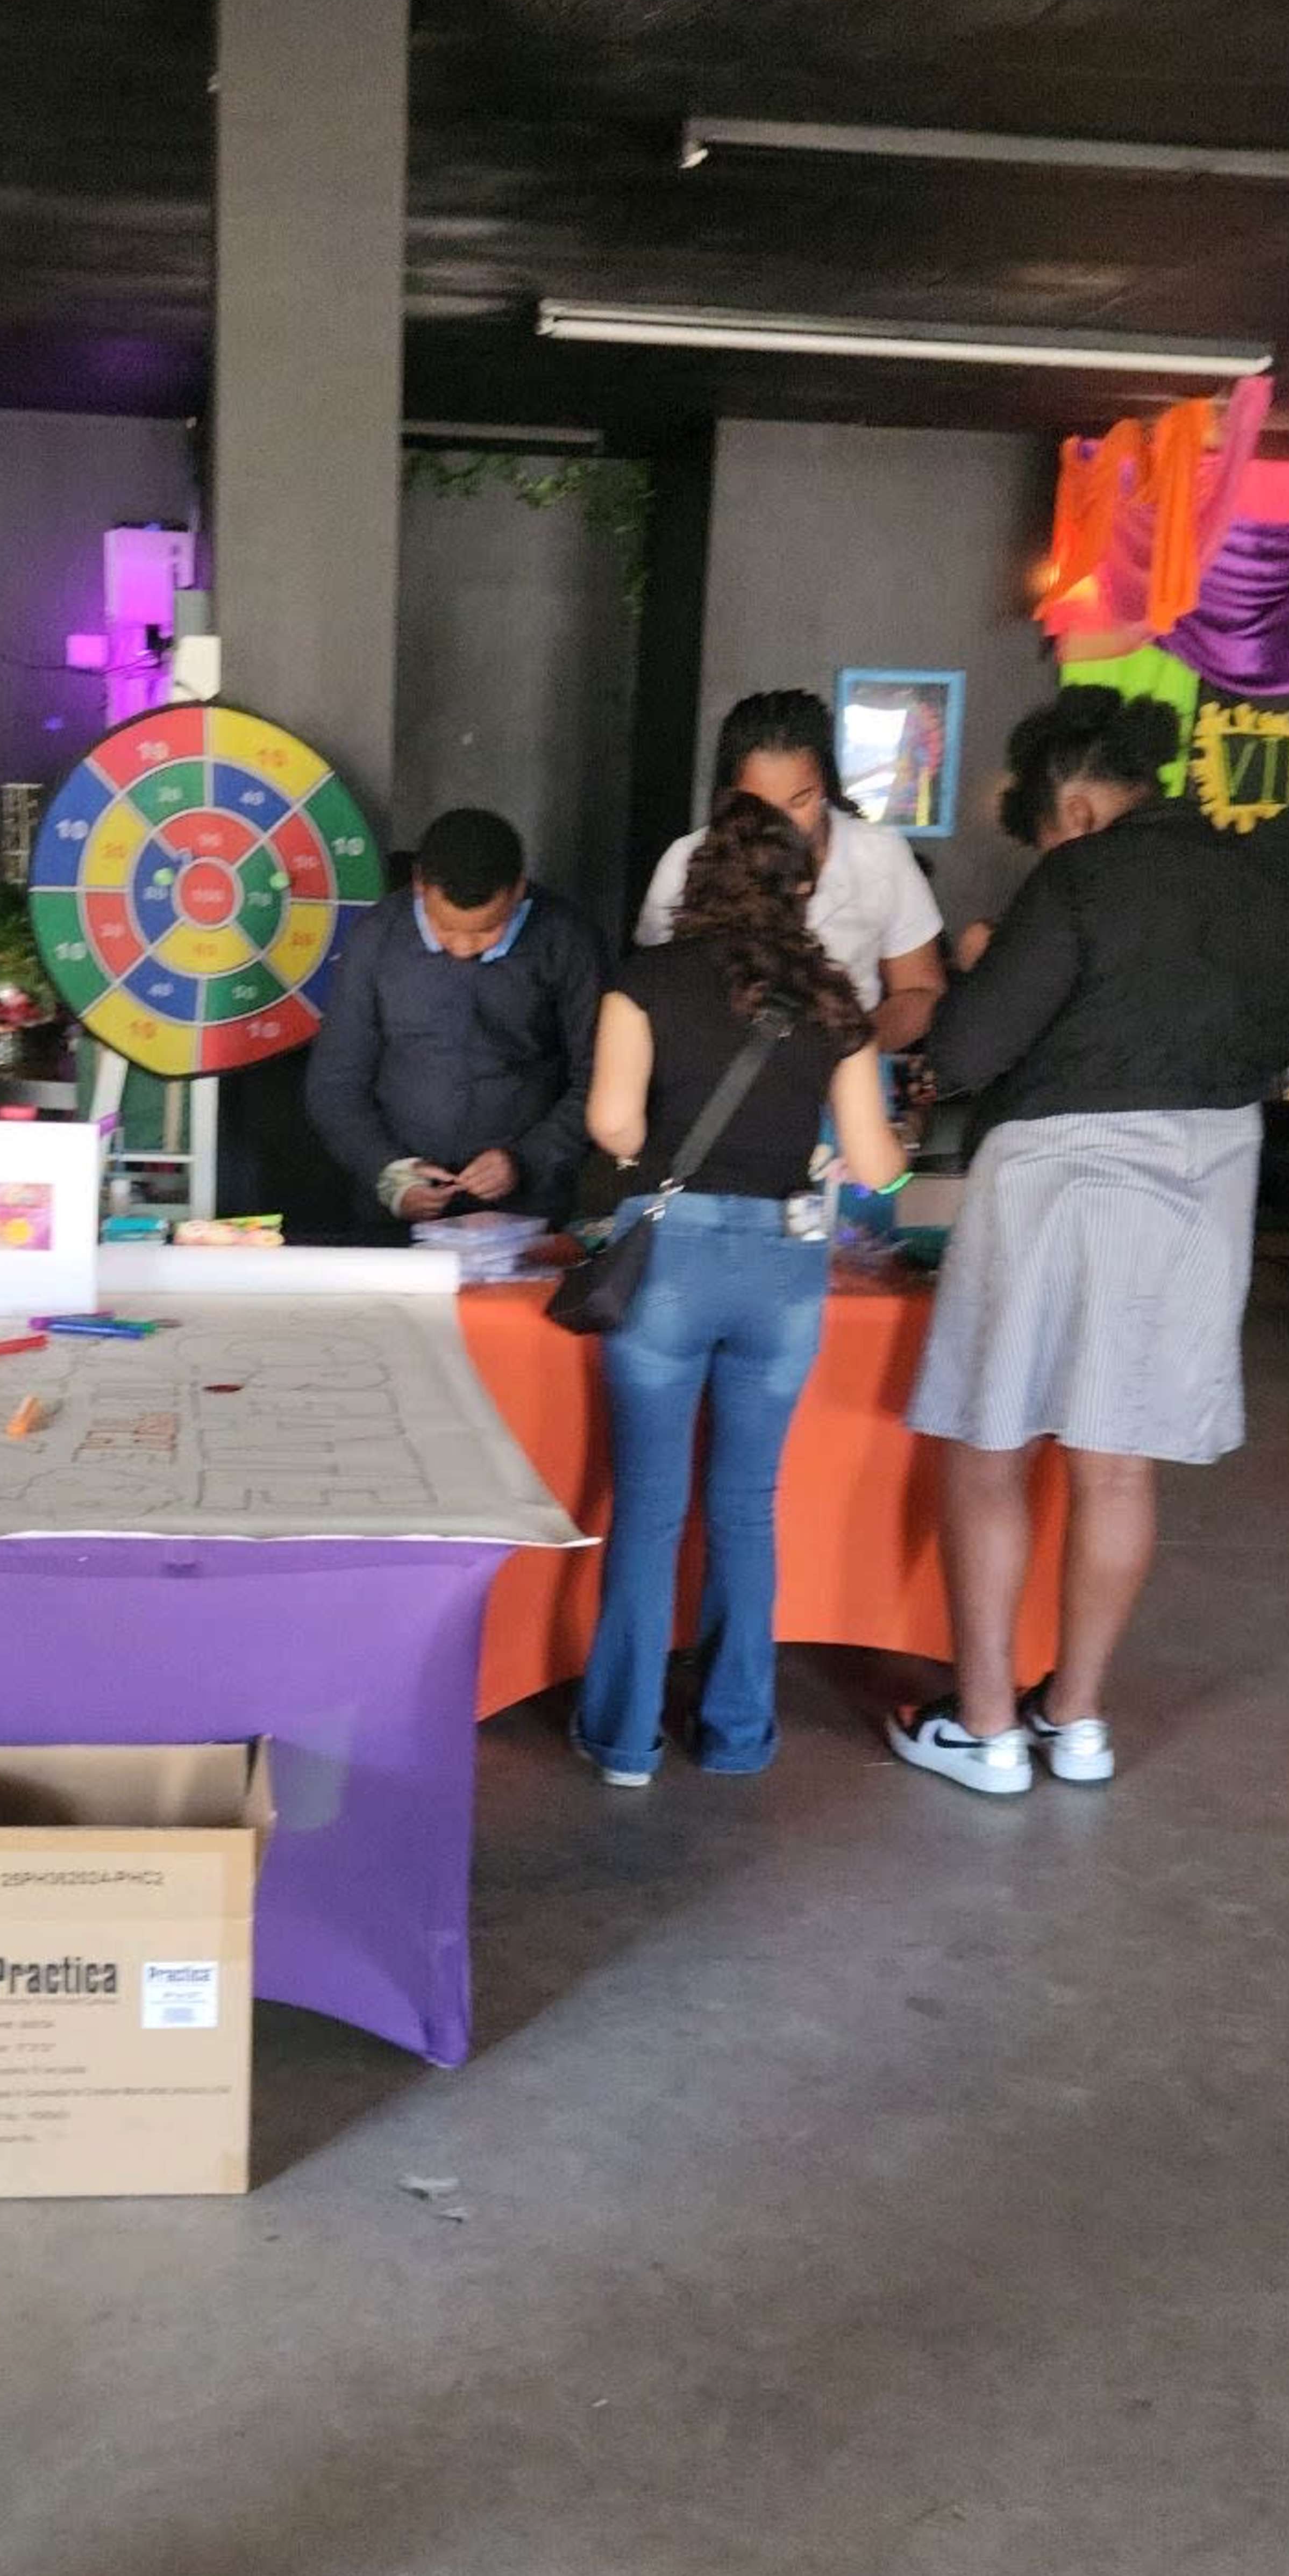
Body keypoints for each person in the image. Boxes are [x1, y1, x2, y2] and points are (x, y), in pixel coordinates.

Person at [888, 684, 1289, 1800]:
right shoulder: (1264, 883)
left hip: (1061, 1179)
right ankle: (1075, 1721)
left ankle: (984, 1729)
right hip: (1211, 1174)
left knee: (992, 1453)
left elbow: (971, 1047)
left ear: (1072, 805)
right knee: (1117, 1463)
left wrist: (984, 956)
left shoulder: (1080, 876)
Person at [573, 792, 909, 1787]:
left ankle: (627, 1742)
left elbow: (615, 1130)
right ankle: (734, 1734)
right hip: (782, 1269)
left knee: (647, 1507)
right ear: (802, 888)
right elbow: (876, 1160)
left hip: (669, 1262)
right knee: (747, 1508)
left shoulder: (644, 986)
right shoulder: (835, 1000)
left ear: (695, 885)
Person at [307, 806, 604, 1233]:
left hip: (525, 1212)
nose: (464, 948)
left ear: (518, 889)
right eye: (445, 929)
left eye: (487, 931)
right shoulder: (376, 939)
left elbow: (599, 1077)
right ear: (419, 885)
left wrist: (527, 1159)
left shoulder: (567, 939)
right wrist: (389, 1173)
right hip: (393, 1210)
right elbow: (335, 1083)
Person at [634, 689, 945, 1051]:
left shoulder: (880, 855)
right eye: (759, 806)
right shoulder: (686, 861)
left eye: (800, 801)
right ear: (730, 797)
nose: (781, 824)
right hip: (717, 1082)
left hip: (841, 1082)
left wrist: (845, 1058)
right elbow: (650, 994)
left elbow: (921, 991)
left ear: (827, 784)